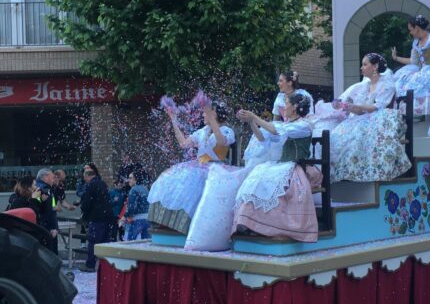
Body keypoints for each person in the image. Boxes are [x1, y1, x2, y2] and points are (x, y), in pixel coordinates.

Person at [232, 93, 318, 241]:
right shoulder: (286, 125)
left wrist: (254, 116)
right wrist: (251, 122)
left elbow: (274, 130)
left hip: (296, 165)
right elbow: (262, 138)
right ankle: (249, 222)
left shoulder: (303, 125)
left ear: (295, 106)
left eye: (287, 103)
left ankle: (269, 226)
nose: (284, 107)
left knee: (269, 181)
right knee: (257, 176)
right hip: (282, 165)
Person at [147, 100, 235, 234]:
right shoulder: (202, 131)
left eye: (205, 113)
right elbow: (184, 144)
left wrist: (213, 122)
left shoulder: (226, 130)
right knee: (173, 182)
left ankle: (206, 230)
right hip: (199, 169)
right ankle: (176, 225)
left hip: (216, 170)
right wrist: (173, 120)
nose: (203, 116)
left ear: (214, 113)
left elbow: (221, 141)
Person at [329, 53, 411, 183]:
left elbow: (376, 107)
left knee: (360, 134)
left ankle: (374, 172)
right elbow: (359, 111)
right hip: (363, 119)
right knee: (339, 135)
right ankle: (350, 173)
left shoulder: (386, 84)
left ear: (375, 66)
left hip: (378, 118)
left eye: (365, 64)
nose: (361, 67)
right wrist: (346, 106)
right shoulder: (363, 86)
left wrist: (355, 106)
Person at [79, 168, 114, 272]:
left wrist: (84, 214)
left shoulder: (90, 185)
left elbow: (87, 203)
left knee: (93, 241)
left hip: (97, 217)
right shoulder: (102, 183)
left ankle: (90, 265)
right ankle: (106, 264)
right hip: (107, 216)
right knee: (105, 242)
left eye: (84, 177)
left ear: (87, 176)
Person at [33, 168, 59, 255]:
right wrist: (54, 227)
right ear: (45, 177)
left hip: (39, 225)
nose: (53, 180)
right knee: (49, 254)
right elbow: (50, 211)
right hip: (46, 227)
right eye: (52, 178)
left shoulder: (37, 188)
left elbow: (53, 206)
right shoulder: (45, 189)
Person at [124, 170, 150, 240]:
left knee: (130, 243)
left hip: (136, 219)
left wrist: (127, 215)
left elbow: (131, 206)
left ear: (135, 179)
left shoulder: (133, 189)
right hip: (147, 219)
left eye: (130, 178)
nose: (128, 180)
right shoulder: (145, 188)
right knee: (146, 243)